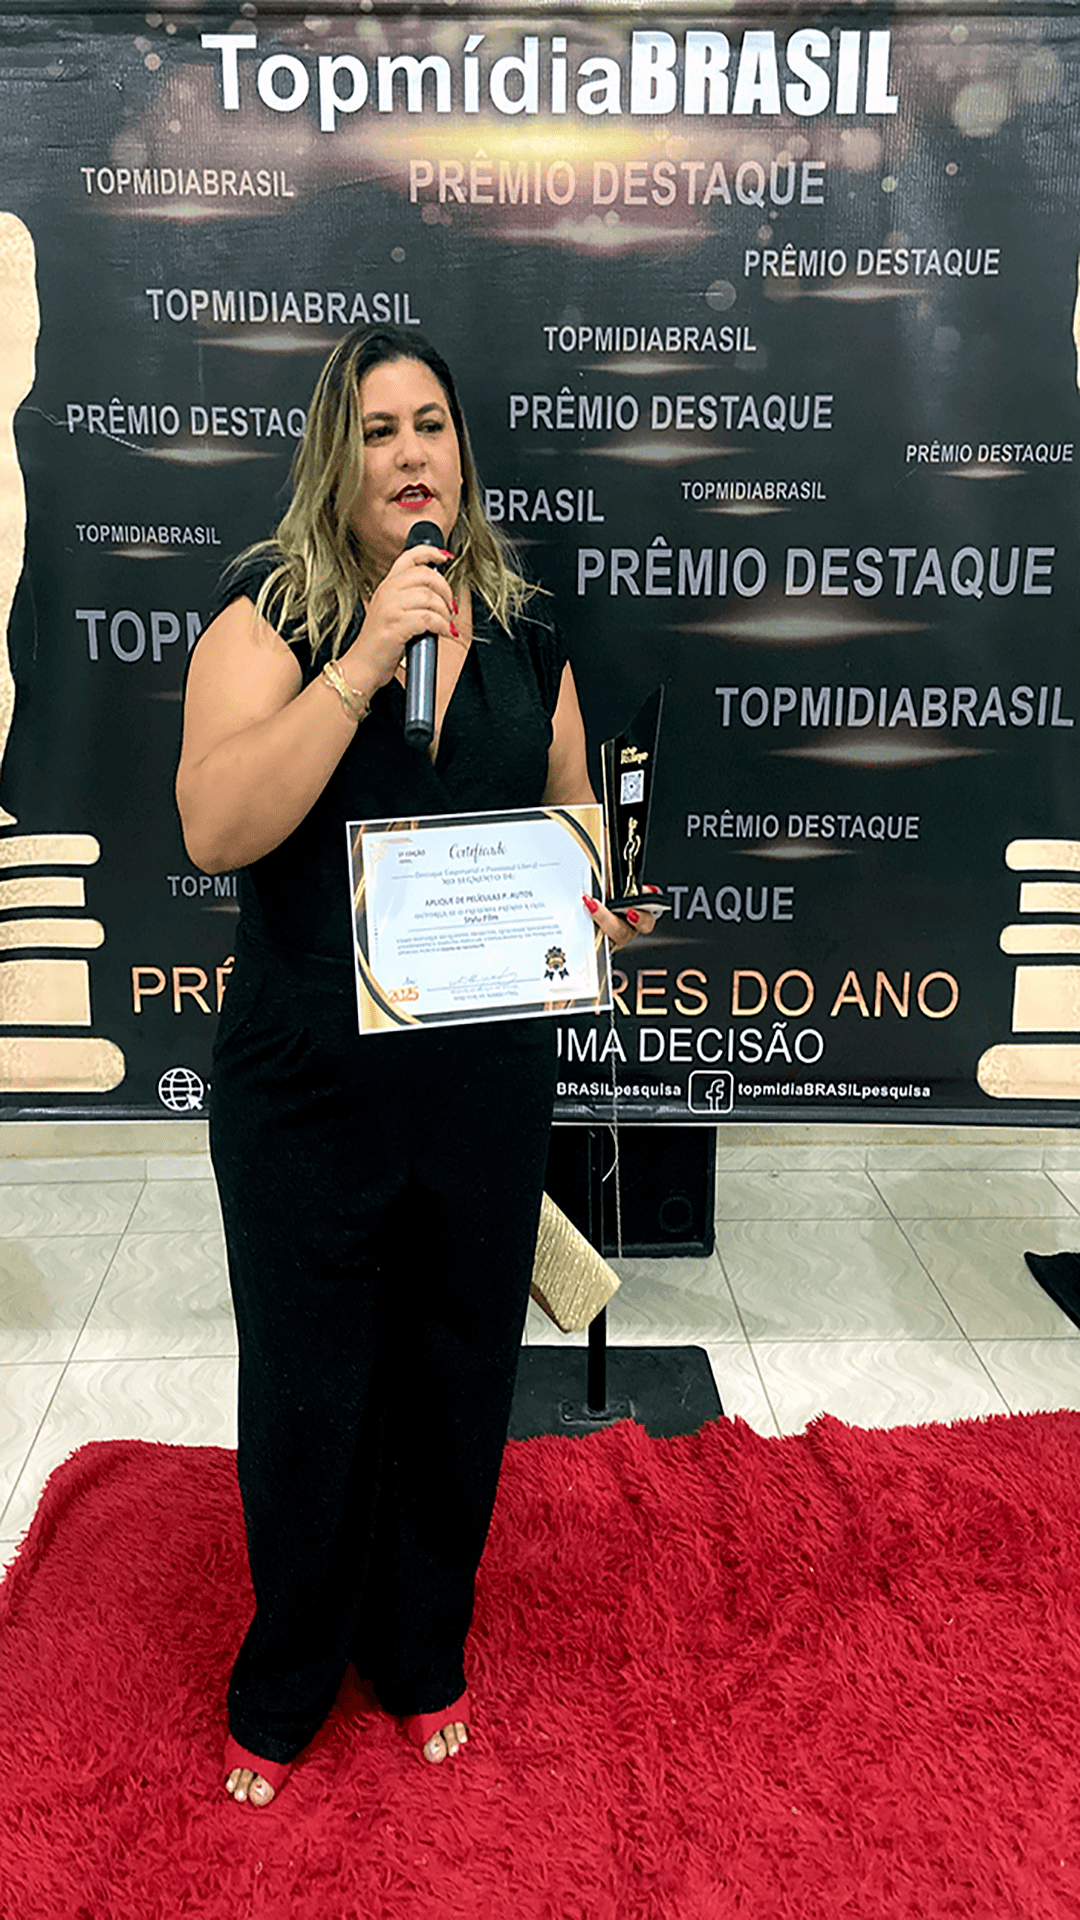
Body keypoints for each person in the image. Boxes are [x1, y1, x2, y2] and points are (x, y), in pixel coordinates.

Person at [176, 324, 654, 1807]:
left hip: (480, 1084)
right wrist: (371, 654)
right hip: (305, 1085)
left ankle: (421, 1642)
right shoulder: (268, 617)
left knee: (456, 1373)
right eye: (377, 430)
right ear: (338, 458)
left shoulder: (525, 638)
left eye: (429, 424)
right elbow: (215, 826)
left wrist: (606, 904)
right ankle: (288, 1670)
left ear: (462, 452)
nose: (408, 454)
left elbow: (577, 830)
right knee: (311, 1386)